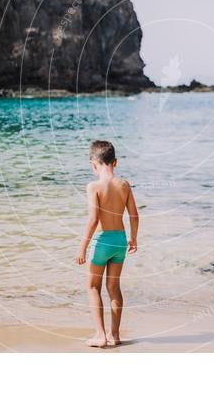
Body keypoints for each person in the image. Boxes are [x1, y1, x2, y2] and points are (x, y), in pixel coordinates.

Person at [75, 140, 139, 347]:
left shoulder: (93, 186)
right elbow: (134, 216)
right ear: (115, 162)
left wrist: (82, 247)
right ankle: (115, 335)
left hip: (101, 241)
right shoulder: (124, 185)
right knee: (114, 287)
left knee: (93, 286)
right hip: (120, 240)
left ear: (93, 164)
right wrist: (133, 238)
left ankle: (100, 335)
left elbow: (93, 220)